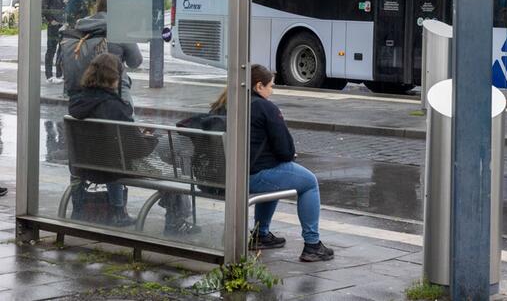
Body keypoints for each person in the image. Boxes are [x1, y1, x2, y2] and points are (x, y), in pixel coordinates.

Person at [68, 53, 198, 235]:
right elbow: (135, 149)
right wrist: (149, 138)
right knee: (174, 165)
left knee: (168, 162)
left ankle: (173, 216)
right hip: (114, 168)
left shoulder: (77, 103)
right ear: (115, 78)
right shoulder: (116, 107)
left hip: (86, 166)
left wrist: (137, 135)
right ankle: (176, 222)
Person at [218, 65, 334, 261]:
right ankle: (312, 245)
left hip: (223, 176)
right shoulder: (265, 107)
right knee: (309, 182)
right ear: (258, 86)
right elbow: (285, 150)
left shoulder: (225, 104)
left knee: (274, 176)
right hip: (250, 177)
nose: (272, 91)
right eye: (270, 86)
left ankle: (261, 235)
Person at [65, 0, 142, 108]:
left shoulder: (82, 26)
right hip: (113, 90)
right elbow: (135, 61)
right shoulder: (119, 29)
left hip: (83, 89)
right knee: (126, 120)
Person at [42, 0, 73, 83]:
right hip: (54, 24)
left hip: (64, 23)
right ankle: (49, 76)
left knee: (63, 49)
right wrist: (50, 20)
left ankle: (59, 74)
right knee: (51, 49)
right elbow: (44, 6)